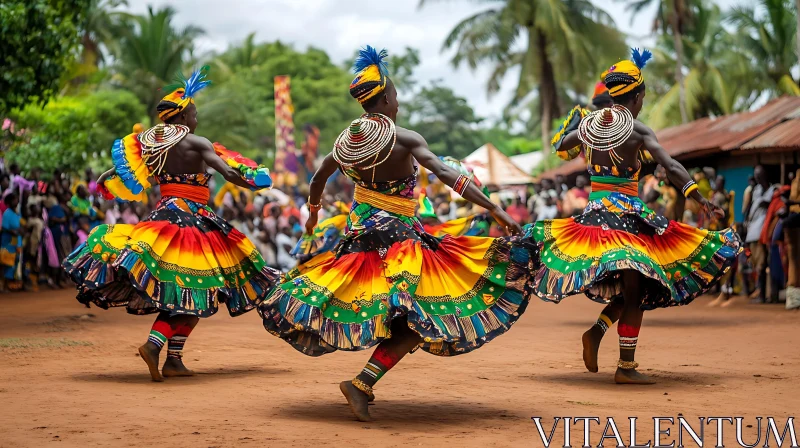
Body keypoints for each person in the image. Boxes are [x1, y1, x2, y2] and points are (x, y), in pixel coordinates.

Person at [258, 46, 534, 422]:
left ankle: (362, 383)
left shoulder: (344, 143)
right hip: (400, 243)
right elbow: (447, 173)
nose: (399, 102)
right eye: (397, 96)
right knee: (425, 315)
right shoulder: (404, 138)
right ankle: (361, 382)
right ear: (386, 98)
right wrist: (495, 208)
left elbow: (318, 178)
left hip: (361, 240)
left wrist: (313, 215)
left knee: (406, 316)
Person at [534, 48, 742, 384]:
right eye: (643, 95)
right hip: (628, 220)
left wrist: (579, 121)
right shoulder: (637, 131)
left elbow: (562, 144)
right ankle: (624, 367)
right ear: (638, 95)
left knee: (638, 288)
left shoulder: (589, 127)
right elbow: (671, 166)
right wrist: (699, 197)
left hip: (595, 217)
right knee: (637, 291)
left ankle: (598, 333)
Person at [63, 67, 281, 382]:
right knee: (196, 288)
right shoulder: (196, 143)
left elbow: (122, 169)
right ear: (180, 118)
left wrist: (106, 176)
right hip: (192, 222)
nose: (196, 118)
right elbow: (227, 172)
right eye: (193, 112)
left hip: (163, 218)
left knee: (193, 292)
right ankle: (155, 346)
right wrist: (254, 184)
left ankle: (173, 359)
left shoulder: (152, 145)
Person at [744, 166, 777, 303]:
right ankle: (760, 293)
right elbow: (750, 208)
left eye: (760, 175)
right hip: (753, 230)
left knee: (763, 264)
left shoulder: (773, 190)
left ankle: (764, 295)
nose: (758, 178)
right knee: (756, 264)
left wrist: (768, 204)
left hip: (764, 231)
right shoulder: (756, 190)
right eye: (756, 175)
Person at [784, 169, 800, 310]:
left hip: (795, 218)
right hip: (794, 219)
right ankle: (794, 300)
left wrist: (791, 202)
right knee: (793, 259)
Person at [1, 193, 23, 292]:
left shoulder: (17, 213)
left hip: (17, 242)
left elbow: (21, 224)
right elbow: (4, 228)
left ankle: (11, 284)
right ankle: (4, 285)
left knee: (15, 262)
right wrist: (13, 231)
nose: (16, 201)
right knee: (7, 263)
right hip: (8, 242)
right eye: (14, 200)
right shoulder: (7, 213)